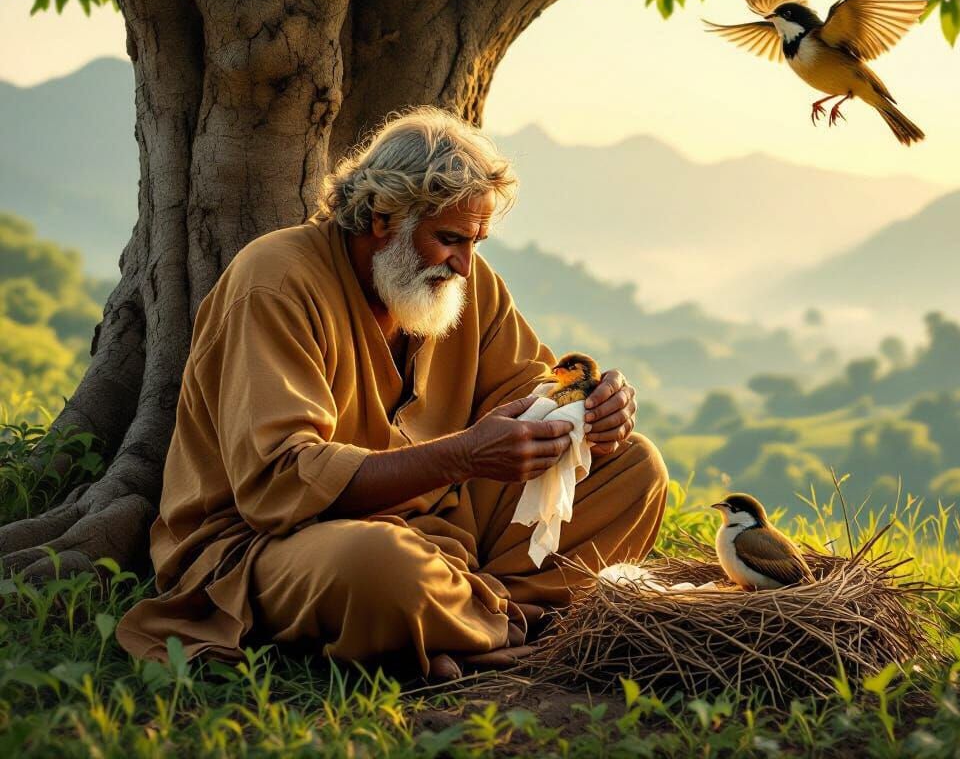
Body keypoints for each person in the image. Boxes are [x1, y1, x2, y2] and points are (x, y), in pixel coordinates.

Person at [116, 107, 668, 678]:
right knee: (379, 568)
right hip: (280, 542)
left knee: (633, 468)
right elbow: (280, 483)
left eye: (476, 241)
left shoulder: (465, 282)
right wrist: (463, 455)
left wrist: (592, 403)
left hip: (441, 526)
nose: (464, 264)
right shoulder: (276, 282)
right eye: (449, 239)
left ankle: (479, 623)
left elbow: (530, 385)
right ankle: (491, 627)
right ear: (382, 217)